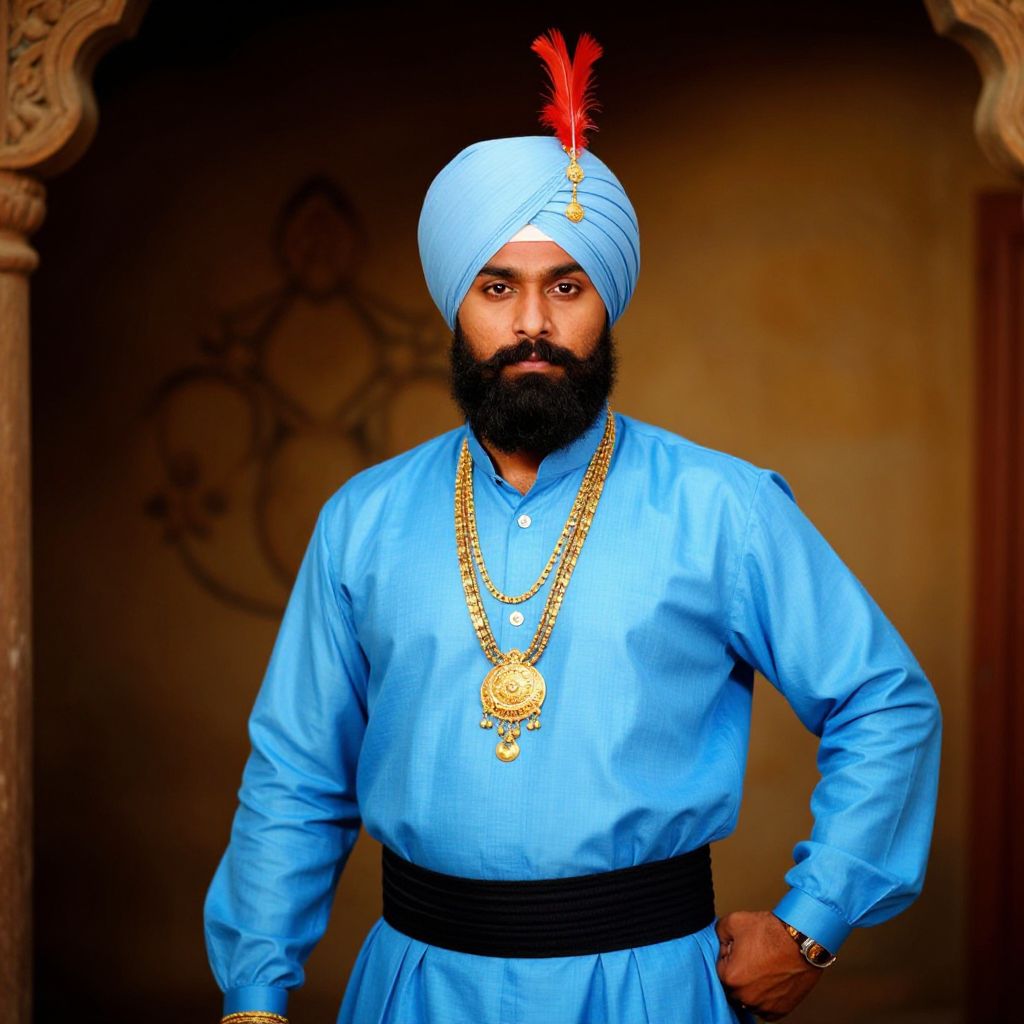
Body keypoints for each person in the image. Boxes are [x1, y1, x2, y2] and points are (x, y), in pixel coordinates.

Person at [203, 30, 942, 1024]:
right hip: (417, 988)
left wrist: (814, 922)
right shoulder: (364, 521)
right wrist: (254, 993)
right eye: (497, 286)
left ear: (606, 301)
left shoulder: (720, 506)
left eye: (567, 285)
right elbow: (296, 774)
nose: (532, 324)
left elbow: (884, 701)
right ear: (454, 305)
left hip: (648, 988)